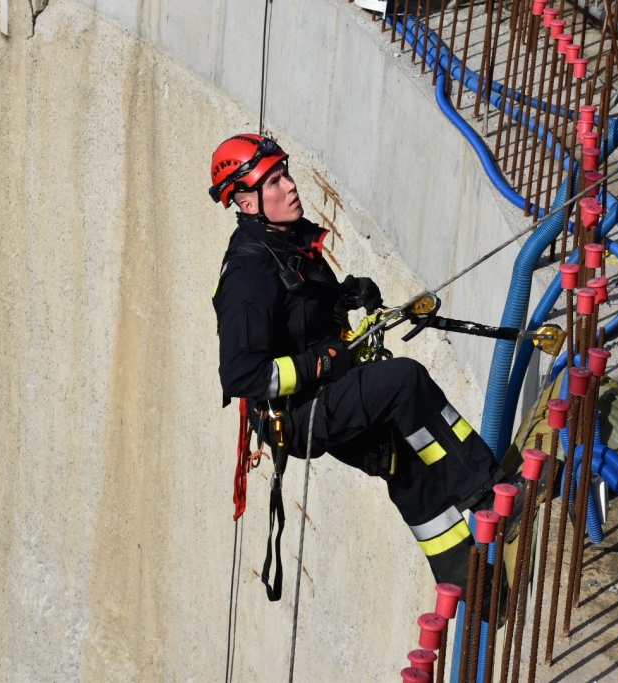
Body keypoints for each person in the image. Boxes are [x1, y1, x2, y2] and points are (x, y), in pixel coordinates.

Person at [209, 133, 508, 588]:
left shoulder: (285, 242)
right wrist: (319, 364)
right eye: (273, 182)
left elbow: (297, 314)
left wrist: (346, 294)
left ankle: (470, 585)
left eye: (285, 174)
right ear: (247, 202)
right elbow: (241, 373)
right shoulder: (249, 274)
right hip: (302, 412)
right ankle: (489, 494)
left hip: (327, 392)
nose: (290, 185)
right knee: (406, 381)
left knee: (403, 462)